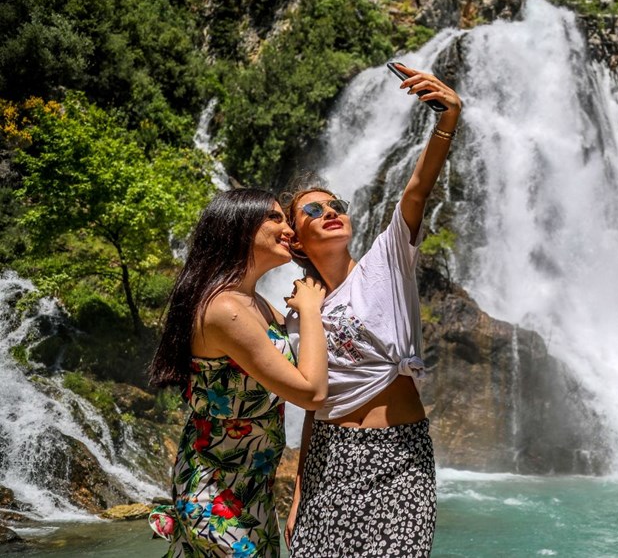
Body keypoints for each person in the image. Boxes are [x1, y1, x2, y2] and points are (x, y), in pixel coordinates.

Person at [283, 64, 461, 557]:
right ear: (295, 241)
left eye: (334, 204)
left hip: (399, 458)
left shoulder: (388, 259)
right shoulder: (302, 310)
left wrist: (448, 119)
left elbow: (416, 191)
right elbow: (313, 404)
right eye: (313, 212)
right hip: (329, 462)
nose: (330, 212)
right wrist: (299, 491)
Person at [146, 188, 329, 557]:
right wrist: (309, 309)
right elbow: (311, 391)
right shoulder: (225, 308)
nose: (289, 229)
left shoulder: (255, 304)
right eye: (275, 218)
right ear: (239, 227)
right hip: (216, 498)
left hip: (251, 492)